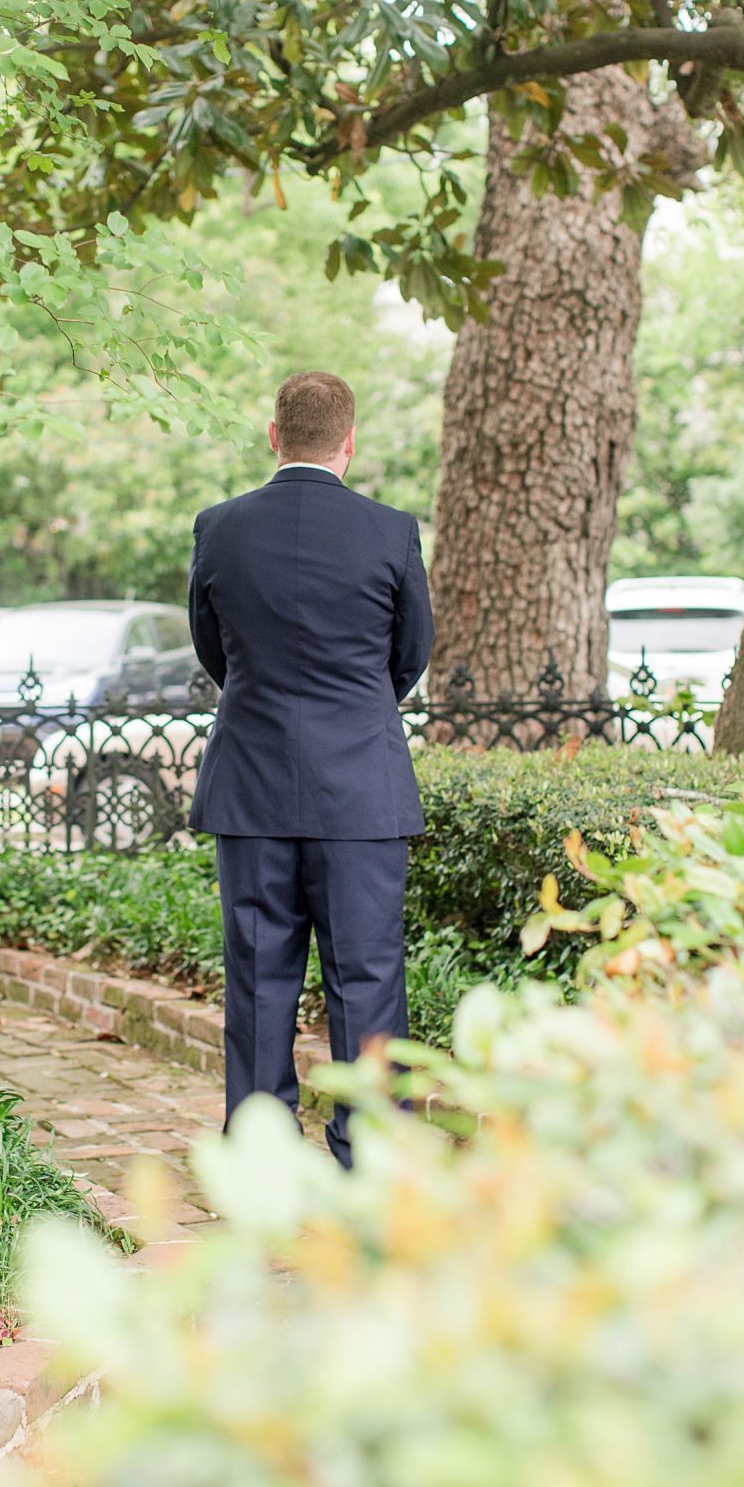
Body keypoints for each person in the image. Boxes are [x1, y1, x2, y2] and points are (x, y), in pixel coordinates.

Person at [187, 370, 434, 1167]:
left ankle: (260, 1160)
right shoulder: (391, 531)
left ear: (273, 435)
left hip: (252, 786)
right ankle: (365, 1153)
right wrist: (357, 712)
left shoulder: (219, 529)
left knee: (259, 983)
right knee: (366, 979)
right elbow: (410, 655)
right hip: (362, 789)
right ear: (349, 443)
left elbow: (211, 648)